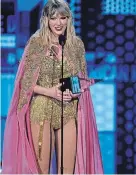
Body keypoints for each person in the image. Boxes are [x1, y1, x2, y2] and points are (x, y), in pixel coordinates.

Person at [2, 0, 103, 174]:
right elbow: (26, 83)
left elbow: (80, 79)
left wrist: (74, 90)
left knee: (68, 170)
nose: (58, 23)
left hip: (68, 110)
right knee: (42, 171)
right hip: (42, 110)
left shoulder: (76, 45)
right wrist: (50, 92)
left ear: (68, 19)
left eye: (63, 18)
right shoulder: (37, 43)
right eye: (53, 18)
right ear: (46, 19)